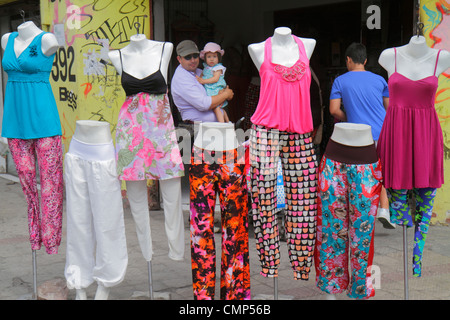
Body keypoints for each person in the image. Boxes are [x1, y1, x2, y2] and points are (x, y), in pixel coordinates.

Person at [329, 42, 395, 229]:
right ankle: (384, 208)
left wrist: (350, 117)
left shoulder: (340, 81)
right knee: (379, 171)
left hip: (359, 137)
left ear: (348, 60)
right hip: (382, 132)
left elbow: (334, 110)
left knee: (360, 174)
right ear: (365, 60)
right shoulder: (380, 80)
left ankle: (368, 211)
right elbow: (389, 108)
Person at [171, 40, 234, 124]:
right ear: (179, 59)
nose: (193, 60)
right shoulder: (181, 78)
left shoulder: (200, 71)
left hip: (212, 127)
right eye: (188, 57)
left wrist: (224, 93)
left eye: (195, 56)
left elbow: (219, 85)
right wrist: (225, 95)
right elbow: (203, 104)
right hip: (196, 129)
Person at [196, 42, 230, 123]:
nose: (211, 59)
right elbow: (201, 76)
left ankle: (222, 124)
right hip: (210, 90)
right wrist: (199, 79)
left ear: (218, 58)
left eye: (214, 56)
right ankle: (228, 122)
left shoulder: (218, 68)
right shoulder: (205, 68)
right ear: (205, 58)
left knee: (216, 108)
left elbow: (215, 79)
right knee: (218, 108)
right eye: (209, 57)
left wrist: (203, 81)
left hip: (216, 90)